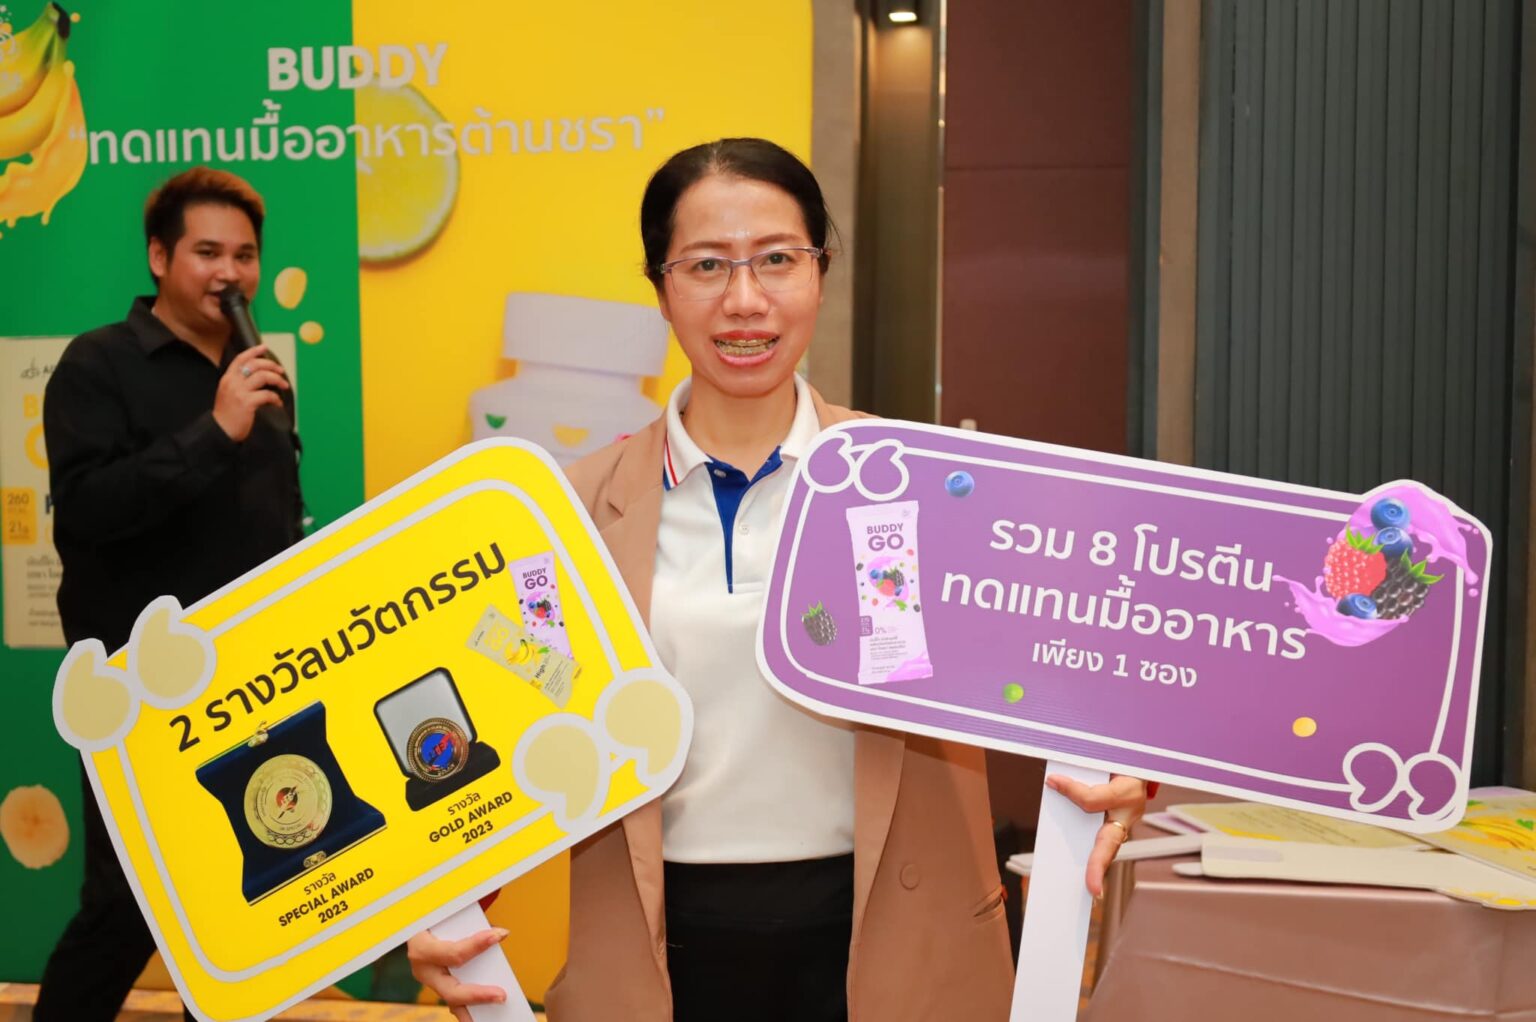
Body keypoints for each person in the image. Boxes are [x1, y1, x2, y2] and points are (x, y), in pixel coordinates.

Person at [407, 138, 1146, 1021]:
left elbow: (1067, 651)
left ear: (820, 272)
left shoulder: (920, 485)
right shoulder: (569, 516)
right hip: (660, 958)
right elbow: (513, 721)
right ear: (659, 289)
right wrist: (440, 904)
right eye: (706, 265)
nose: (745, 300)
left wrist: (1127, 769)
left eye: (777, 260)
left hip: (894, 951)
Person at [36, 166, 303, 1022]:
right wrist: (214, 431)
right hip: (138, 687)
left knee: (242, 897)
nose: (231, 273)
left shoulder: (259, 368)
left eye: (245, 256)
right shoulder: (97, 365)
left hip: (252, 678)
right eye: (207, 253)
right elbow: (88, 508)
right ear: (159, 257)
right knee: (125, 903)